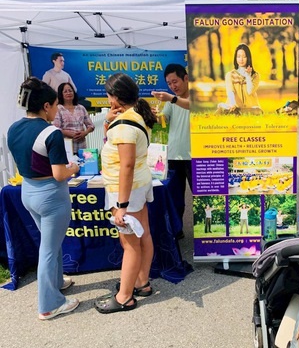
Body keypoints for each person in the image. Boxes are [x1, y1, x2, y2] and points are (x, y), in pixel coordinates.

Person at [7, 77, 81, 320]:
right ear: (46, 106)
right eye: (56, 105)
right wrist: (74, 168)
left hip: (28, 192)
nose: (57, 110)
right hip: (51, 196)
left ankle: (57, 282)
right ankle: (48, 304)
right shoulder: (51, 132)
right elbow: (60, 174)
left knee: (51, 243)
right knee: (48, 249)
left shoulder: (13, 127)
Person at [94, 73, 157, 313]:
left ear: (115, 97)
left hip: (126, 192)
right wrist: (108, 123)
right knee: (144, 236)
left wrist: (121, 204)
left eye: (109, 95)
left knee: (130, 243)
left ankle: (124, 297)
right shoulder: (136, 117)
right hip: (136, 188)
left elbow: (126, 165)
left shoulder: (124, 126)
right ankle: (141, 283)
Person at [151, 64, 191, 232]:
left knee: (201, 194)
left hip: (196, 156)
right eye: (169, 83)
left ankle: (205, 233)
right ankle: (176, 230)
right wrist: (155, 116)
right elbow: (163, 120)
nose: (173, 86)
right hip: (174, 155)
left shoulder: (196, 97)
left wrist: (171, 98)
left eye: (175, 81)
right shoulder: (171, 101)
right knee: (175, 197)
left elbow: (190, 105)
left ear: (186, 78)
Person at [216, 43, 260, 115]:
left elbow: (250, 91)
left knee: (258, 111)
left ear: (248, 58)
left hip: (251, 108)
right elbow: (230, 91)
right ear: (235, 58)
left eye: (244, 56)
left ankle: (231, 111)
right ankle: (234, 111)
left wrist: (248, 76)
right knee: (233, 110)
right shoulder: (230, 75)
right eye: (238, 56)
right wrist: (233, 104)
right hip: (234, 107)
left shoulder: (255, 75)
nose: (241, 59)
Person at [53, 82, 95, 154]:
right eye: (65, 91)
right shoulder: (58, 109)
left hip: (81, 147)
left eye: (70, 91)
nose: (68, 93)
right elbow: (56, 129)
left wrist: (84, 133)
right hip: (66, 148)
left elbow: (91, 126)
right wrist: (69, 134)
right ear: (61, 94)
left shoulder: (81, 108)